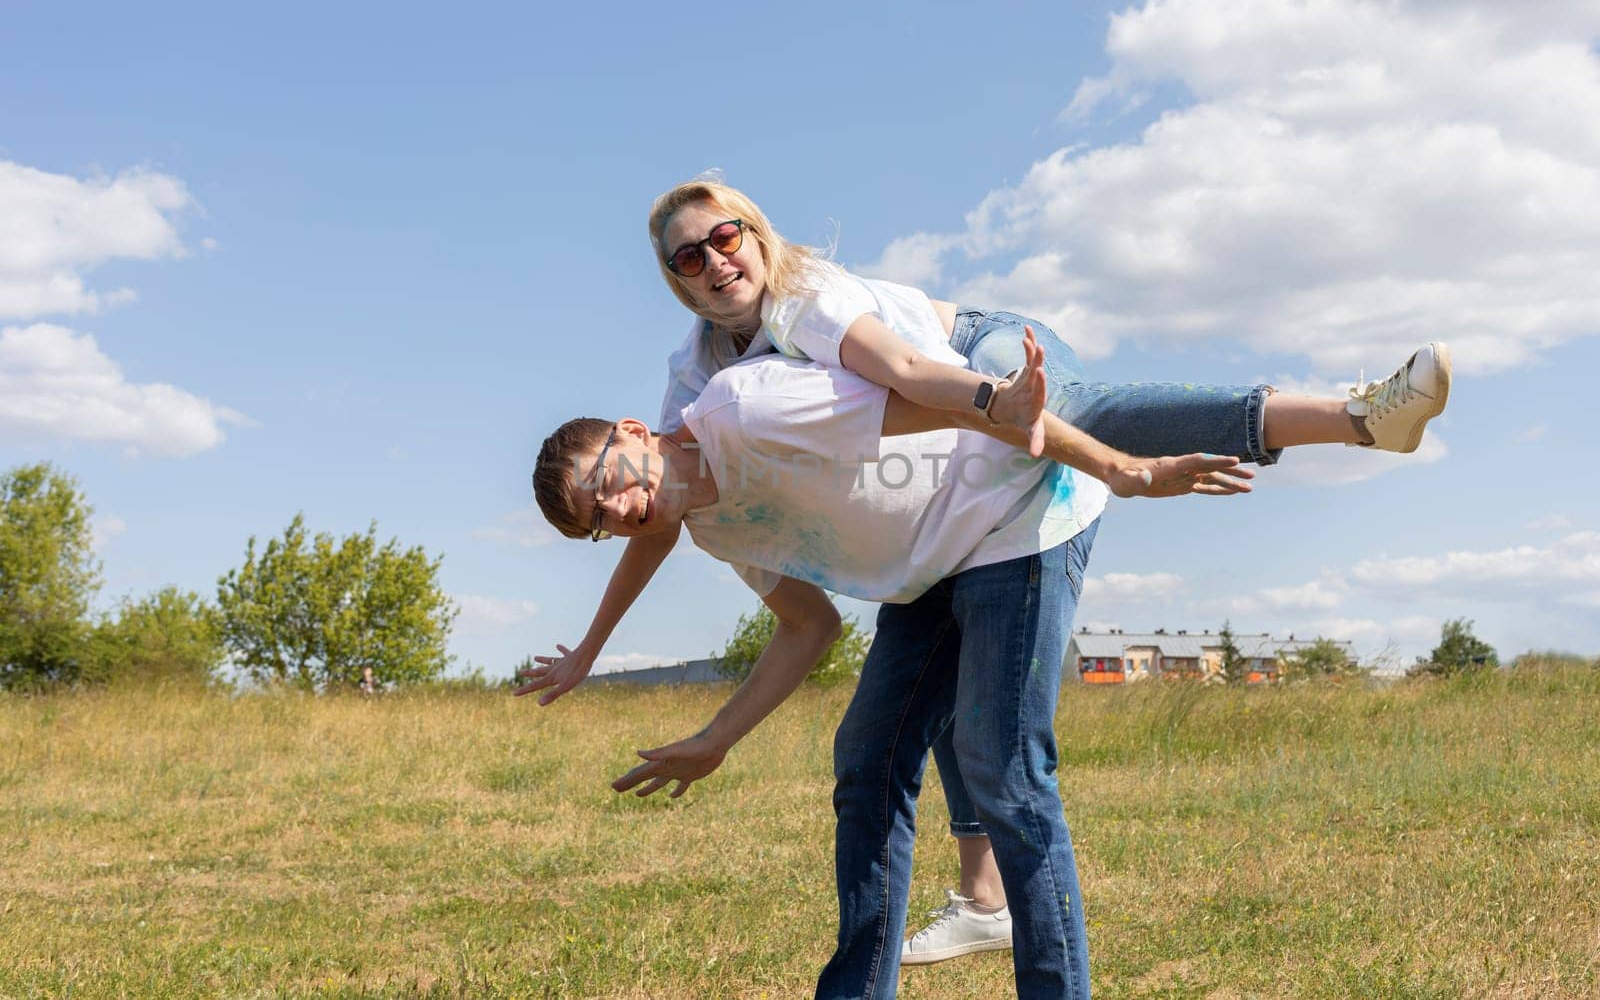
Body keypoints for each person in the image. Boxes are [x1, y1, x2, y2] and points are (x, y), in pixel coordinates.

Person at [519, 178, 1453, 966]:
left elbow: (917, 379)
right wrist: (590, 653)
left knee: (1074, 414)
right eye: (690, 257)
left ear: (753, 234)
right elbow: (661, 510)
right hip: (941, 516)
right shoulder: (693, 384)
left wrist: (1093, 455)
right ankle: (981, 900)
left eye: (725, 237)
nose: (715, 260)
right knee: (913, 707)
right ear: (677, 284)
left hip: (976, 355)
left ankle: (1359, 414)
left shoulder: (807, 307)